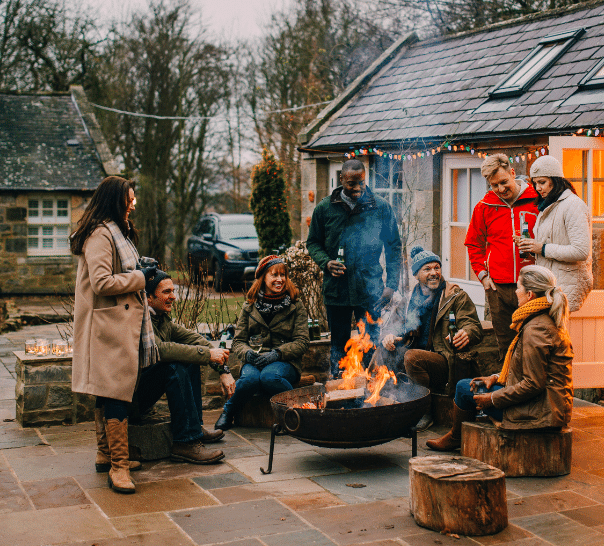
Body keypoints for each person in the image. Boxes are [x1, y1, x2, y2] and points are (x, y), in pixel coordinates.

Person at [70, 176, 160, 494]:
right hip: (107, 326)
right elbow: (102, 283)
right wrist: (139, 278)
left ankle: (105, 453)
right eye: (129, 199)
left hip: (112, 324)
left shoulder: (113, 231)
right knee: (116, 392)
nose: (133, 204)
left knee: (107, 390)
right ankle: (118, 468)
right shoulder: (100, 234)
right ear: (114, 200)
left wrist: (143, 269)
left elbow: (119, 270)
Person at [426, 265, 573, 452]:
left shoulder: (537, 330)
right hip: (545, 405)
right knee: (472, 384)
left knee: (463, 388)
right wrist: (495, 377)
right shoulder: (538, 319)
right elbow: (526, 368)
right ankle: (458, 435)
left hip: (542, 411)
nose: (515, 292)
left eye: (518, 288)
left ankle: (456, 437)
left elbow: (533, 384)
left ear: (530, 296)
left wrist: (493, 399)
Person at [307, 158, 402, 379]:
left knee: (369, 343)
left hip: (370, 291)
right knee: (338, 344)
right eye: (351, 183)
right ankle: (340, 386)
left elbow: (394, 248)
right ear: (341, 180)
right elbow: (313, 243)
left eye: (361, 182)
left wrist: (391, 285)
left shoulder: (381, 207)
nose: (357, 188)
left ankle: (369, 390)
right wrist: (326, 262)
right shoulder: (324, 208)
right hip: (336, 290)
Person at [132, 270, 233, 465]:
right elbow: (161, 350)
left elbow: (196, 341)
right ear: (149, 298)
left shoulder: (161, 319)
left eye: (173, 291)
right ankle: (185, 442)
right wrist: (208, 355)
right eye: (166, 292)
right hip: (132, 398)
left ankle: (195, 427)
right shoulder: (142, 321)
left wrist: (223, 370)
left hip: (144, 388)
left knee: (190, 360)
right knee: (173, 366)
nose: (173, 297)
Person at [379, 246, 483, 431]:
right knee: (384, 350)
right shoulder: (409, 299)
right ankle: (389, 401)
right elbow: (393, 326)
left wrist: (466, 332)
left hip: (446, 359)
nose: (434, 273)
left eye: (437, 268)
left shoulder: (455, 296)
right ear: (416, 275)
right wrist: (388, 337)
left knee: (412, 357)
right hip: (416, 357)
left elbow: (473, 326)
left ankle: (423, 411)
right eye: (427, 269)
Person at [215, 255, 309, 431]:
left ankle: (296, 414)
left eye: (283, 275)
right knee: (249, 379)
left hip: (285, 362)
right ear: (263, 278)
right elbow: (238, 341)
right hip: (255, 359)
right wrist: (248, 353)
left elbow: (302, 342)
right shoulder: (249, 306)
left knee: (269, 377)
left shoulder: (296, 305)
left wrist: (277, 353)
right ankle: (228, 412)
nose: (280, 279)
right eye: (274, 275)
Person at [464, 153, 539, 361]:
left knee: (533, 342)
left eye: (504, 182)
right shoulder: (484, 207)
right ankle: (509, 389)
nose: (500, 189)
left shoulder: (536, 201)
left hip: (532, 285)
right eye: (494, 185)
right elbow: (473, 244)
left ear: (513, 173)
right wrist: (484, 277)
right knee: (506, 347)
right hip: (499, 288)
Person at [517, 155, 593, 312]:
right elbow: (550, 243)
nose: (537, 188)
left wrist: (542, 248)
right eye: (535, 183)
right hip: (551, 285)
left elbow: (581, 251)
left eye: (542, 182)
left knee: (557, 335)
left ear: (556, 179)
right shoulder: (549, 205)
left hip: (564, 286)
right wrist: (530, 246)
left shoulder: (573, 205)